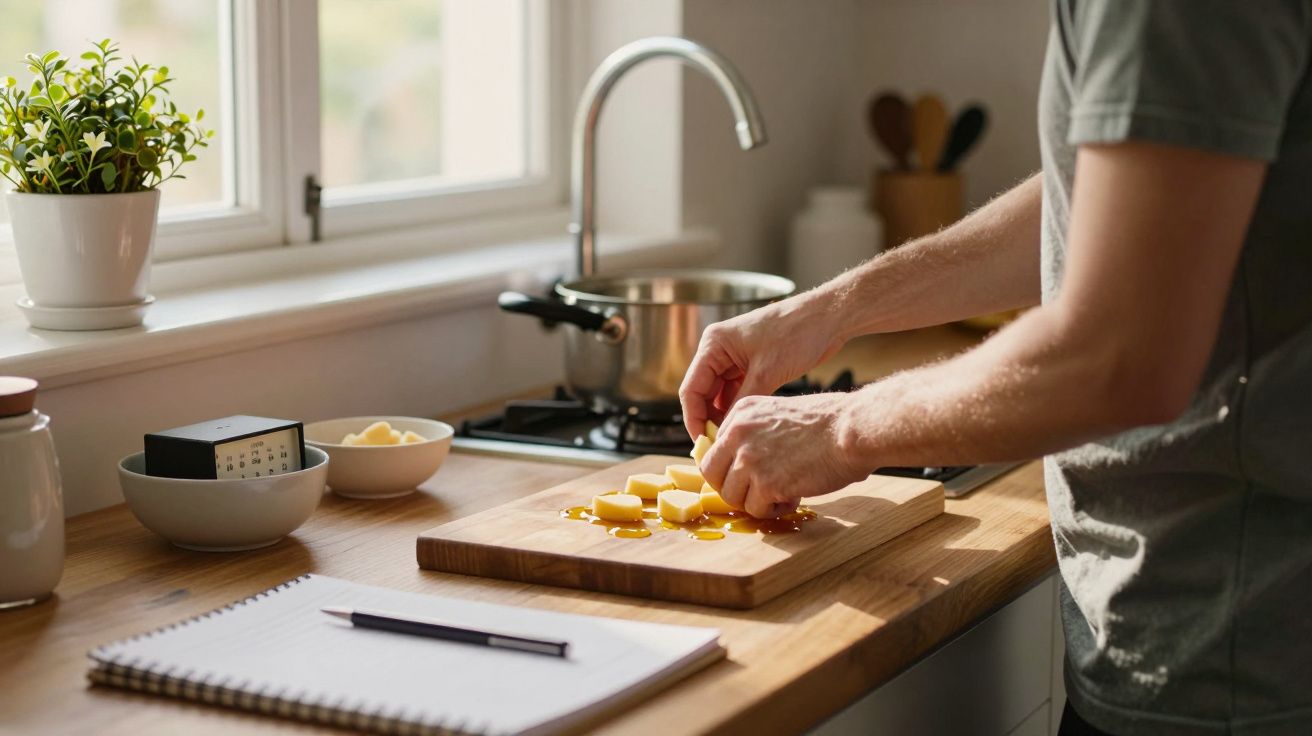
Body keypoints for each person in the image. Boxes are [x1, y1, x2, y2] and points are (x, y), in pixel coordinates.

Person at [679, 3, 1312, 734]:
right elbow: (1109, 194)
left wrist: (838, 427)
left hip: (1236, 670)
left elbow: (1119, 355)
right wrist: (828, 311)